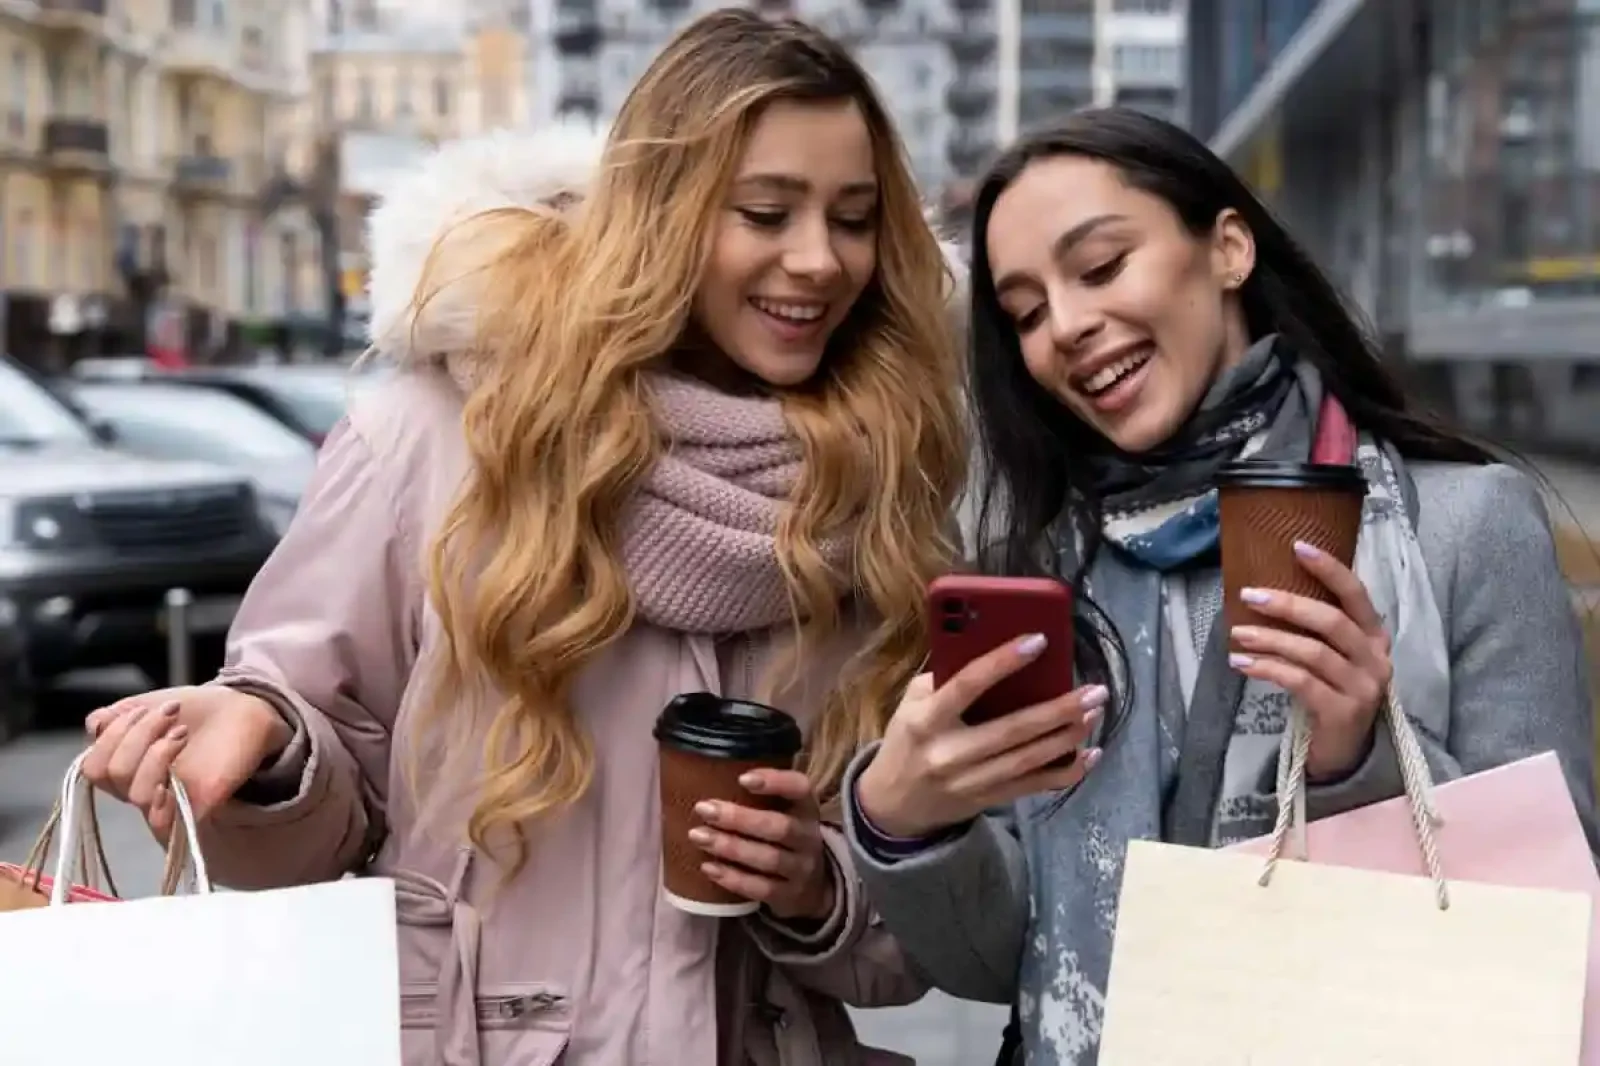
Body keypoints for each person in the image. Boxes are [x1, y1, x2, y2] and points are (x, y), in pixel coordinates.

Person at [77, 11, 969, 1065]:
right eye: (765, 212)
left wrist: (817, 881)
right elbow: (314, 782)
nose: (818, 260)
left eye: (855, 218)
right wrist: (263, 744)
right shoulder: (435, 433)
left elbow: (908, 944)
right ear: (664, 213)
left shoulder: (880, 485)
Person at [842, 107, 1600, 1066]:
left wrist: (1355, 758)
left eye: (1103, 266)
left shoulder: (1463, 527)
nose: (1067, 327)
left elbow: (1546, 927)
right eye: (1026, 312)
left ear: (1229, 248)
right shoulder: (1045, 573)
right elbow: (1004, 963)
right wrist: (908, 822)